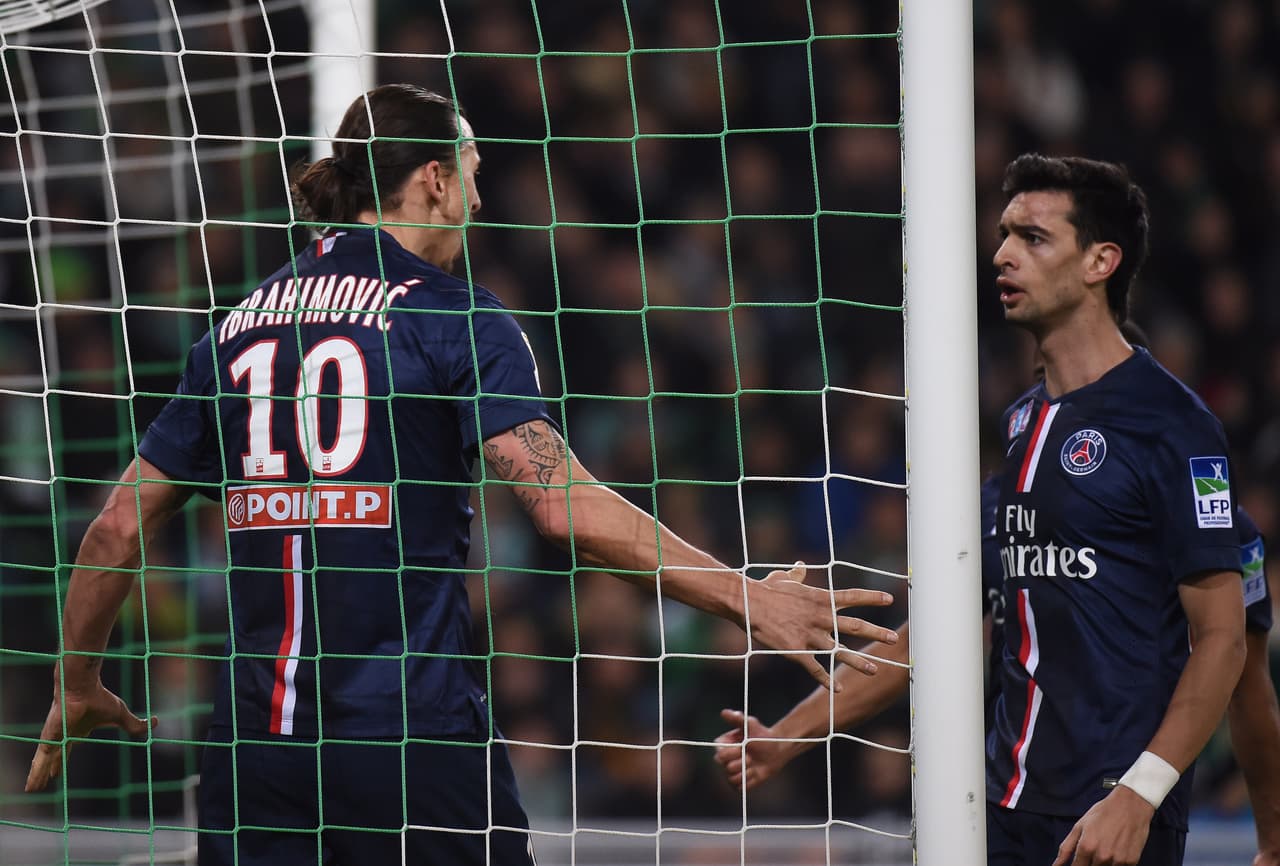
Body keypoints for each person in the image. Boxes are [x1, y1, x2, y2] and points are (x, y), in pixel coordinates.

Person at [22, 84, 898, 866]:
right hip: (410, 740)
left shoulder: (237, 328)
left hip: (259, 751)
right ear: (434, 179)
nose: (480, 197)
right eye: (473, 173)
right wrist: (748, 596)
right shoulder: (456, 319)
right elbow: (559, 509)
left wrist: (75, 680)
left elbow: (114, 528)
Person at [721, 155, 1260, 866]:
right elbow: (935, 633)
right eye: (1004, 234)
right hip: (1001, 809)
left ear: (1101, 261)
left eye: (1033, 238)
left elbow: (1225, 639)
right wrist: (785, 735)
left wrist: (1140, 795)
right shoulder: (1021, 427)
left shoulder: (1173, 425)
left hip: (1110, 819)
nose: (1002, 253)